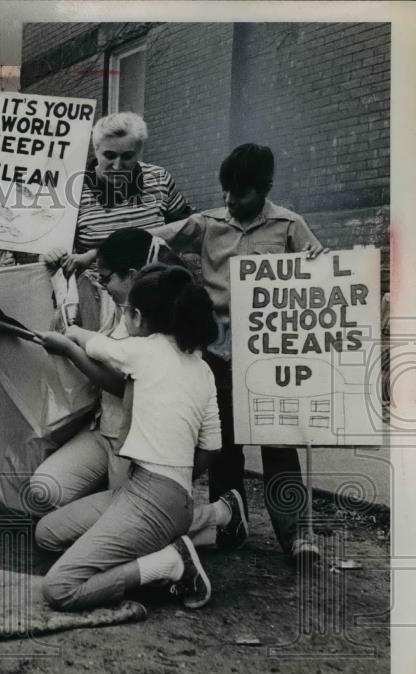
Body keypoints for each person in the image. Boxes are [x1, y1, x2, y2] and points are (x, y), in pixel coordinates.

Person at [151, 143, 328, 560]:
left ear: (264, 188)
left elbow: (320, 281)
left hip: (270, 357)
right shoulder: (208, 223)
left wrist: (319, 262)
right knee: (224, 445)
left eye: (241, 192)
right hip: (217, 354)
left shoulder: (290, 226)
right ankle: (230, 528)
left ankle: (297, 538)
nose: (230, 199)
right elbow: (149, 240)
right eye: (226, 189)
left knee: (279, 445)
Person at [29, 229, 248, 550]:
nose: (102, 285)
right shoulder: (122, 307)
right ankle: (198, 519)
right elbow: (92, 336)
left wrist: (70, 346)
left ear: (131, 276)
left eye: (106, 279)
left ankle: (209, 518)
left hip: (138, 449)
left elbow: (118, 380)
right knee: (44, 494)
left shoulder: (159, 326)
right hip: (104, 433)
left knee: (113, 531)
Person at [36, 266, 222, 611]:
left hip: (152, 498)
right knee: (47, 532)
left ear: (138, 317)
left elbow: (93, 344)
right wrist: (176, 479)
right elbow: (211, 448)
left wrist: (68, 337)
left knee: (60, 588)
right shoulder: (202, 368)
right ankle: (179, 534)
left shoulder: (145, 350)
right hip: (159, 492)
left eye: (126, 313)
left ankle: (168, 563)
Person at [43, 111, 194, 278]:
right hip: (98, 294)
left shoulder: (159, 178)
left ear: (139, 150)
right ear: (96, 149)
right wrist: (52, 254)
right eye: (109, 156)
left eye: (127, 156)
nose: (117, 166)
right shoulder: (73, 190)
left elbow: (186, 231)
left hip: (156, 290)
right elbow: (51, 251)